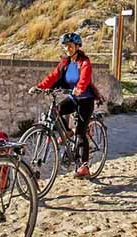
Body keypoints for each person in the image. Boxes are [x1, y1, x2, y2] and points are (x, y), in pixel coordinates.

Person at [29, 32, 101, 178]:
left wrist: (80, 88)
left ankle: (84, 166)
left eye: (70, 46)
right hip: (73, 98)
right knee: (55, 112)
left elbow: (85, 78)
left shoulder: (84, 62)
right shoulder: (65, 62)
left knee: (81, 132)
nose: (67, 48)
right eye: (65, 46)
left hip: (85, 100)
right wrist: (40, 87)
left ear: (77, 46)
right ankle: (68, 132)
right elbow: (53, 76)